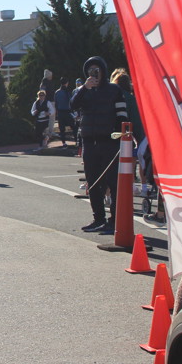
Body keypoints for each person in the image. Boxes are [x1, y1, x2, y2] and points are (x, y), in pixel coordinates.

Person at [72, 56, 128, 235]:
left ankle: (114, 220)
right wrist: (84, 88)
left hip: (109, 142)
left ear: (103, 71)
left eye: (97, 70)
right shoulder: (83, 90)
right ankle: (98, 218)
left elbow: (122, 114)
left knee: (113, 182)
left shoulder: (114, 90)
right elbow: (72, 106)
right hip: (89, 141)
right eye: (90, 71)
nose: (94, 74)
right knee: (93, 182)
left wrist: (119, 137)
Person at [53, 78, 75, 147]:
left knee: (62, 129)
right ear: (66, 83)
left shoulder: (57, 92)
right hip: (67, 111)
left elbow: (56, 103)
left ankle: (63, 142)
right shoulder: (67, 91)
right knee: (74, 127)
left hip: (60, 112)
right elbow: (71, 101)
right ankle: (77, 140)